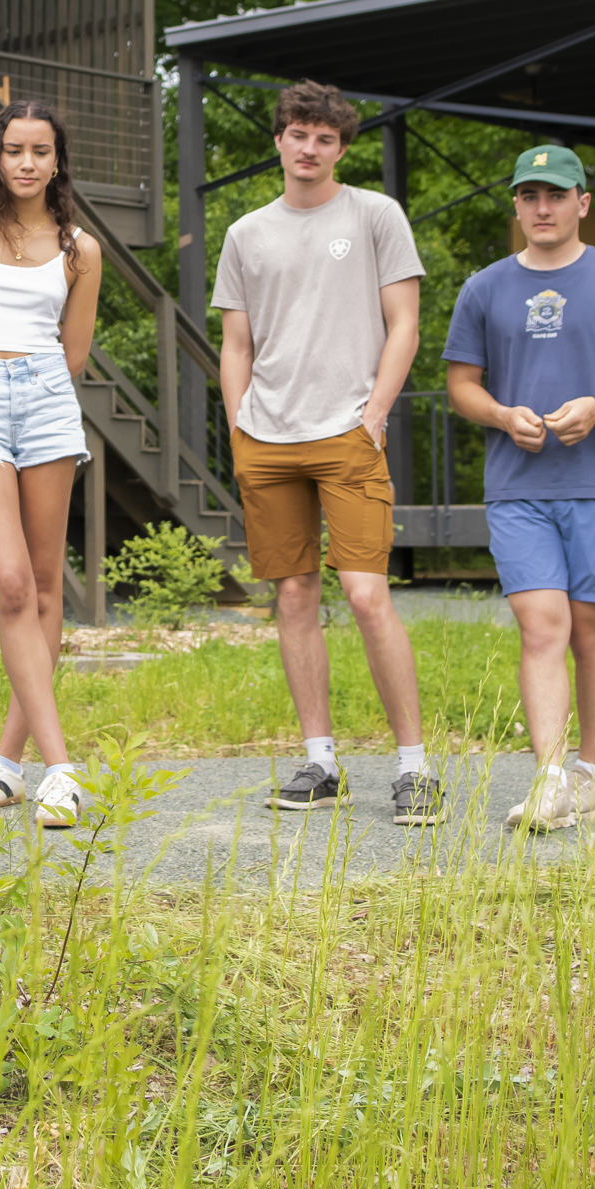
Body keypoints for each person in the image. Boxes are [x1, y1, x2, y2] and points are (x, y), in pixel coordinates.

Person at [213, 81, 438, 820]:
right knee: (294, 594)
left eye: (325, 138)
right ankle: (320, 762)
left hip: (347, 430)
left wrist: (376, 411)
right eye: (298, 134)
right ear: (277, 139)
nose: (309, 148)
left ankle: (414, 768)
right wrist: (239, 426)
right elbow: (236, 341)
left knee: (368, 595)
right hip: (267, 438)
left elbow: (403, 321)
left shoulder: (375, 215)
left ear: (341, 148)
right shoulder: (247, 232)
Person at [441, 145, 595, 833]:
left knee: (591, 629)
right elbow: (463, 384)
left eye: (556, 195)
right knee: (541, 626)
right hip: (516, 486)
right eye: (528, 196)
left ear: (581, 202)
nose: (541, 208)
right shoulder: (484, 288)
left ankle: (594, 775)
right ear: (515, 205)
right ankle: (549, 778)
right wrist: (499, 414)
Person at [0, 102, 101, 829]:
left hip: (46, 401)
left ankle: (6, 762)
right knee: (6, 583)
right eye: (14, 150)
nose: (27, 162)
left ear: (58, 160)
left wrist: (36, 389)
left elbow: (73, 350)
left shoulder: (79, 247)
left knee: (41, 581)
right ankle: (63, 767)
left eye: (41, 151)